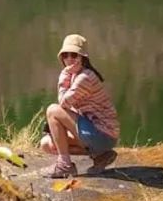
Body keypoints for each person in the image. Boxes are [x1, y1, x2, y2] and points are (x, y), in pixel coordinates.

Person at [41, 33, 119, 178]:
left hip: (103, 133)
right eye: (65, 55)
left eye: (74, 55)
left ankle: (65, 165)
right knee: (47, 144)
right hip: (97, 133)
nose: (69, 59)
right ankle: (101, 156)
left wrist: (64, 73)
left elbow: (63, 102)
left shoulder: (85, 77)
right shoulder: (75, 75)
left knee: (52, 110)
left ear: (83, 57)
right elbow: (69, 107)